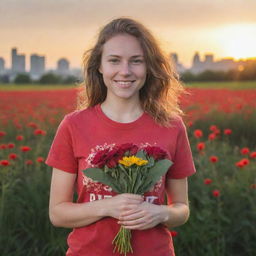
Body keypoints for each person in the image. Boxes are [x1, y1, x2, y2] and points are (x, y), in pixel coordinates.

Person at [45, 17, 196, 256]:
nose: (125, 71)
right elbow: (57, 213)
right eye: (114, 61)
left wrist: (162, 213)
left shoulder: (171, 126)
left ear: (148, 67)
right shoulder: (74, 125)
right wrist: (108, 207)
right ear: (100, 66)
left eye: (136, 61)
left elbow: (182, 209)